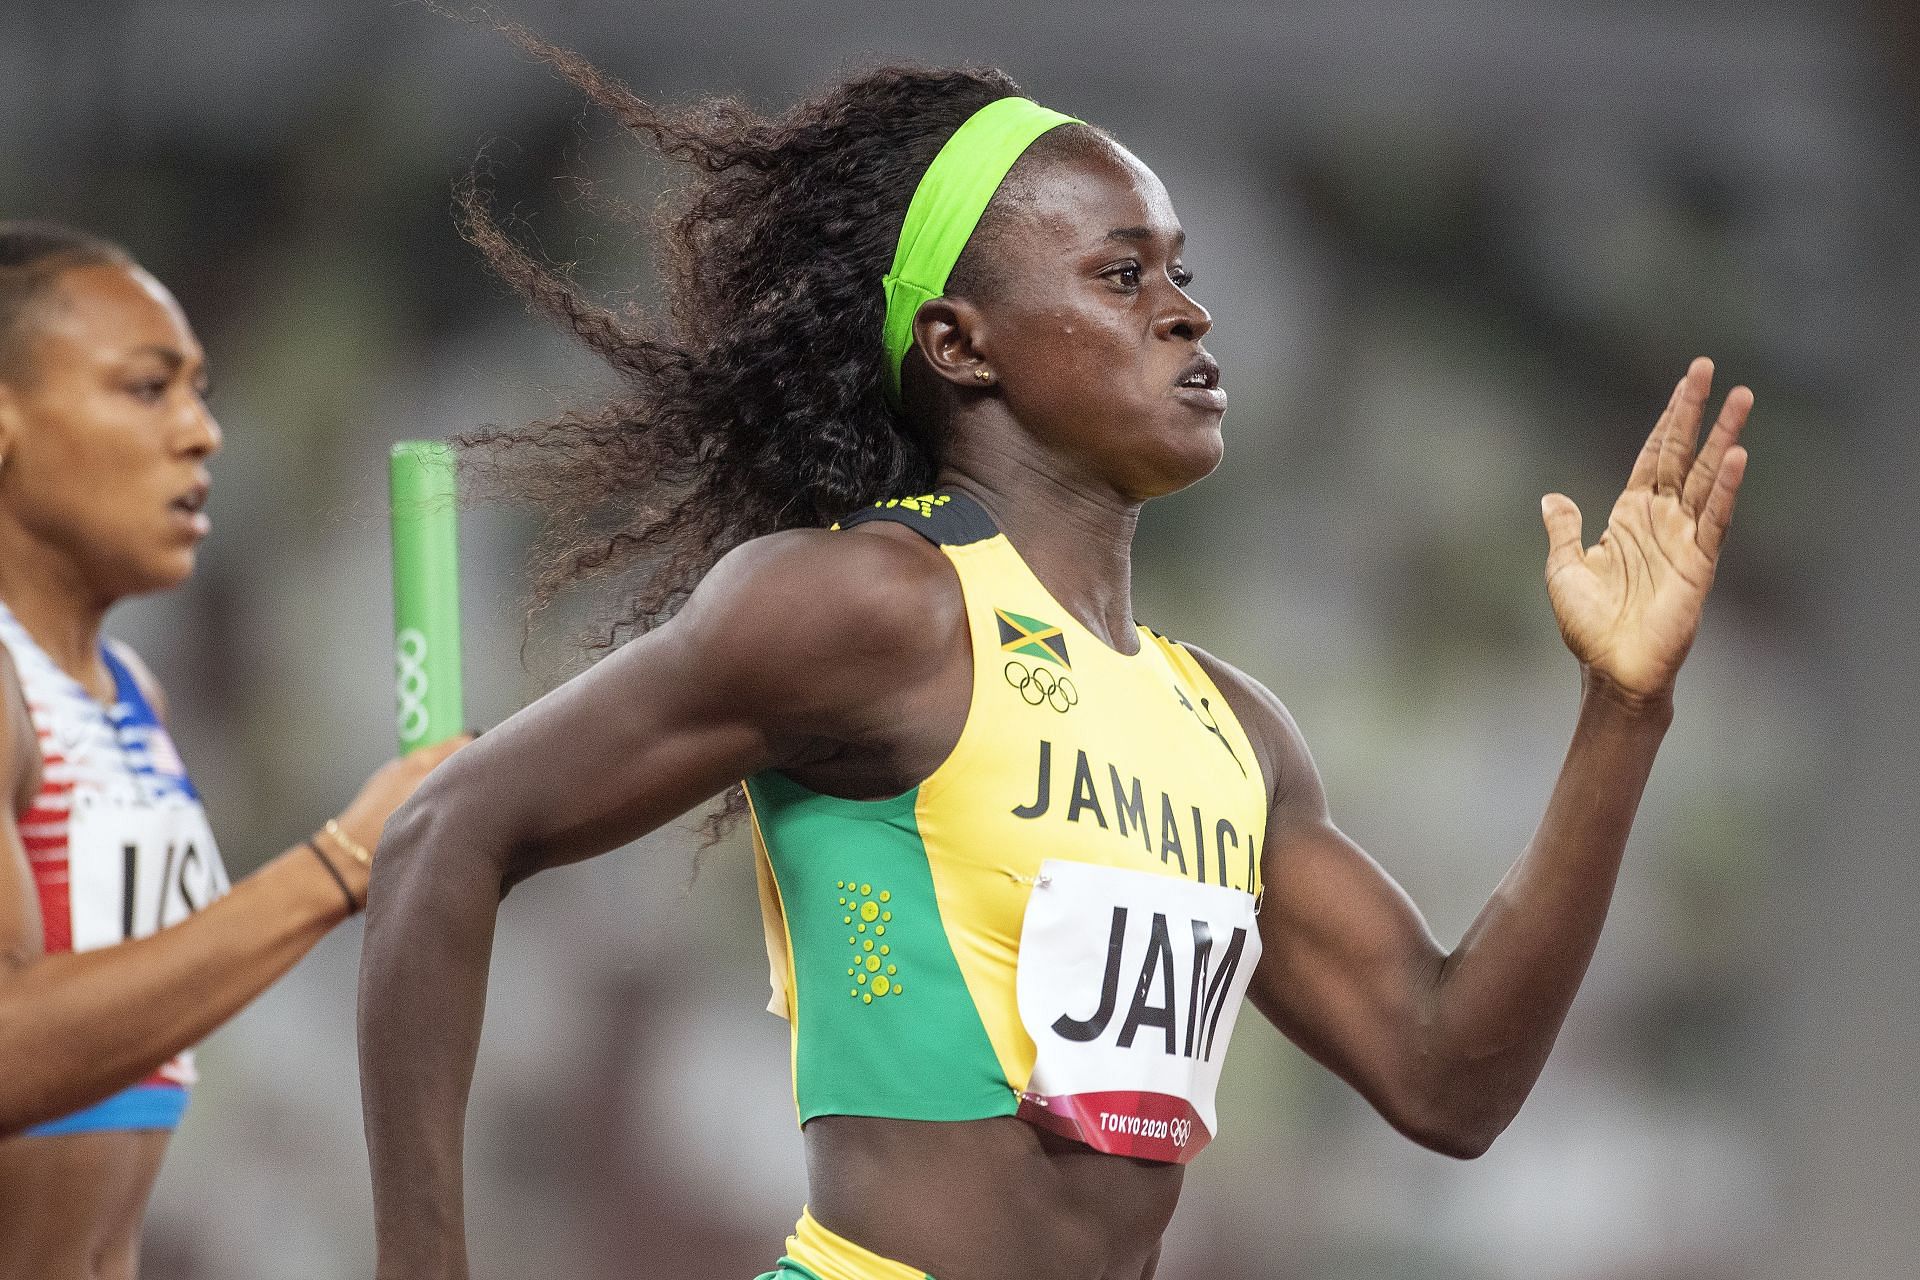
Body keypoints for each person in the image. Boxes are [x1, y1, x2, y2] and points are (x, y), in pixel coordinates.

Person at [357, 44, 1751, 1280]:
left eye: (1184, 272)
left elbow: (1448, 1079)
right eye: (1121, 273)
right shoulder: (874, 606)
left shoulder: (1232, 732)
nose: (1190, 313)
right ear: (964, 346)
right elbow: (443, 835)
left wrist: (1624, 711)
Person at [0, 222, 466, 1279]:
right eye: (146, 388)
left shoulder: (131, 698)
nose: (203, 432)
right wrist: (340, 862)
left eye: (202, 390)